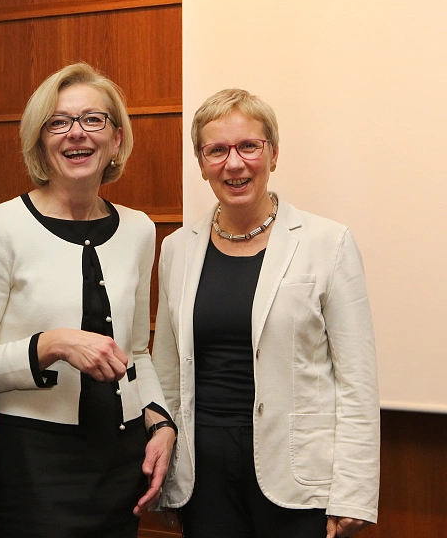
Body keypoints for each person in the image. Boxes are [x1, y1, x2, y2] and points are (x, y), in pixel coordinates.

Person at [0, 62, 177, 538]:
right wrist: (50, 344)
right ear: (40, 141)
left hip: (122, 463)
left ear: (116, 139)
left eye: (92, 119)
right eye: (58, 122)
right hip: (36, 464)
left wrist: (161, 422)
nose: (76, 134)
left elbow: (136, 351)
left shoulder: (139, 229)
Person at [152, 88, 379, 538]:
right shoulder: (177, 248)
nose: (233, 163)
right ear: (201, 163)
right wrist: (169, 483)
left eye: (248, 146)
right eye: (216, 150)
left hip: (297, 477)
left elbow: (357, 380)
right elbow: (167, 371)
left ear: (273, 154)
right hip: (204, 477)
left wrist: (353, 491)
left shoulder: (326, 243)